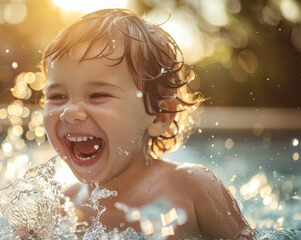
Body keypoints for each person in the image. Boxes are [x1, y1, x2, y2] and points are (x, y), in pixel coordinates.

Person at [41, 8, 257, 239]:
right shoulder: (61, 209)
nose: (69, 111)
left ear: (159, 116)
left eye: (98, 95)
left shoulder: (194, 189)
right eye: (57, 96)